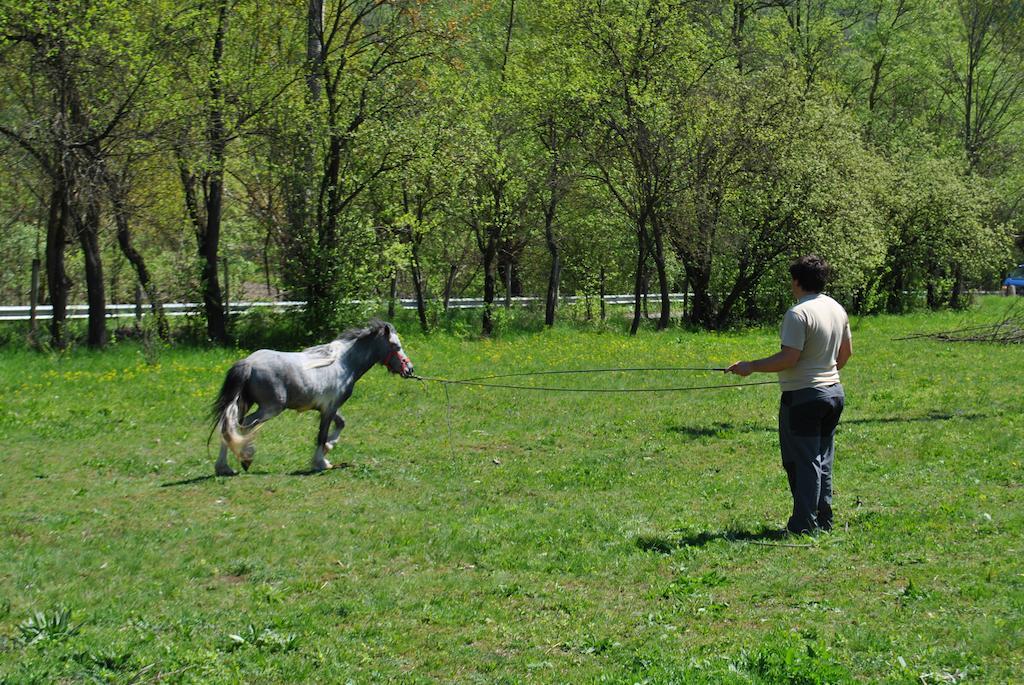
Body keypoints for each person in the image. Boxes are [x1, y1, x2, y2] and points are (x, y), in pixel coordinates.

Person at [726, 255, 852, 534]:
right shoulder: (836, 308)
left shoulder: (798, 313)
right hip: (834, 393)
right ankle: (823, 520)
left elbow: (789, 358)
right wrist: (823, 372)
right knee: (822, 459)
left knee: (803, 462)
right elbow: (845, 355)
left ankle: (804, 525)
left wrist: (751, 367)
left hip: (804, 398)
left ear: (797, 281)